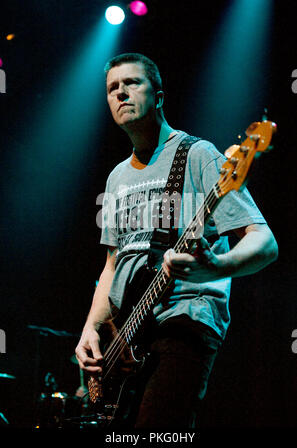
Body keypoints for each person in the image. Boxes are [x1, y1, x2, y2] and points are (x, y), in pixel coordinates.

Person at [75, 53, 278, 428]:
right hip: (126, 337)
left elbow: (264, 241)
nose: (120, 94)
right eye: (112, 88)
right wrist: (91, 329)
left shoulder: (197, 155)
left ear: (159, 96)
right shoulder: (116, 178)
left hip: (186, 320)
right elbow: (111, 267)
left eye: (132, 83)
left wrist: (217, 266)